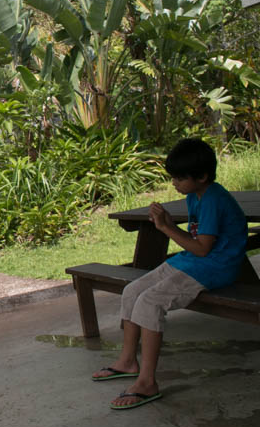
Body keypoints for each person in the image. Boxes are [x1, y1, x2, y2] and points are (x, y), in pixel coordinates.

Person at [91, 137, 247, 410]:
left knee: (150, 302)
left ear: (202, 176)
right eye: (172, 177)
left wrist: (165, 227)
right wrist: (168, 225)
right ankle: (128, 360)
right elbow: (196, 245)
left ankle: (147, 381)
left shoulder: (213, 199)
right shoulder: (194, 195)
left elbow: (201, 249)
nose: (174, 183)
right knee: (132, 291)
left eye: (179, 178)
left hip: (215, 267)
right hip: (196, 261)